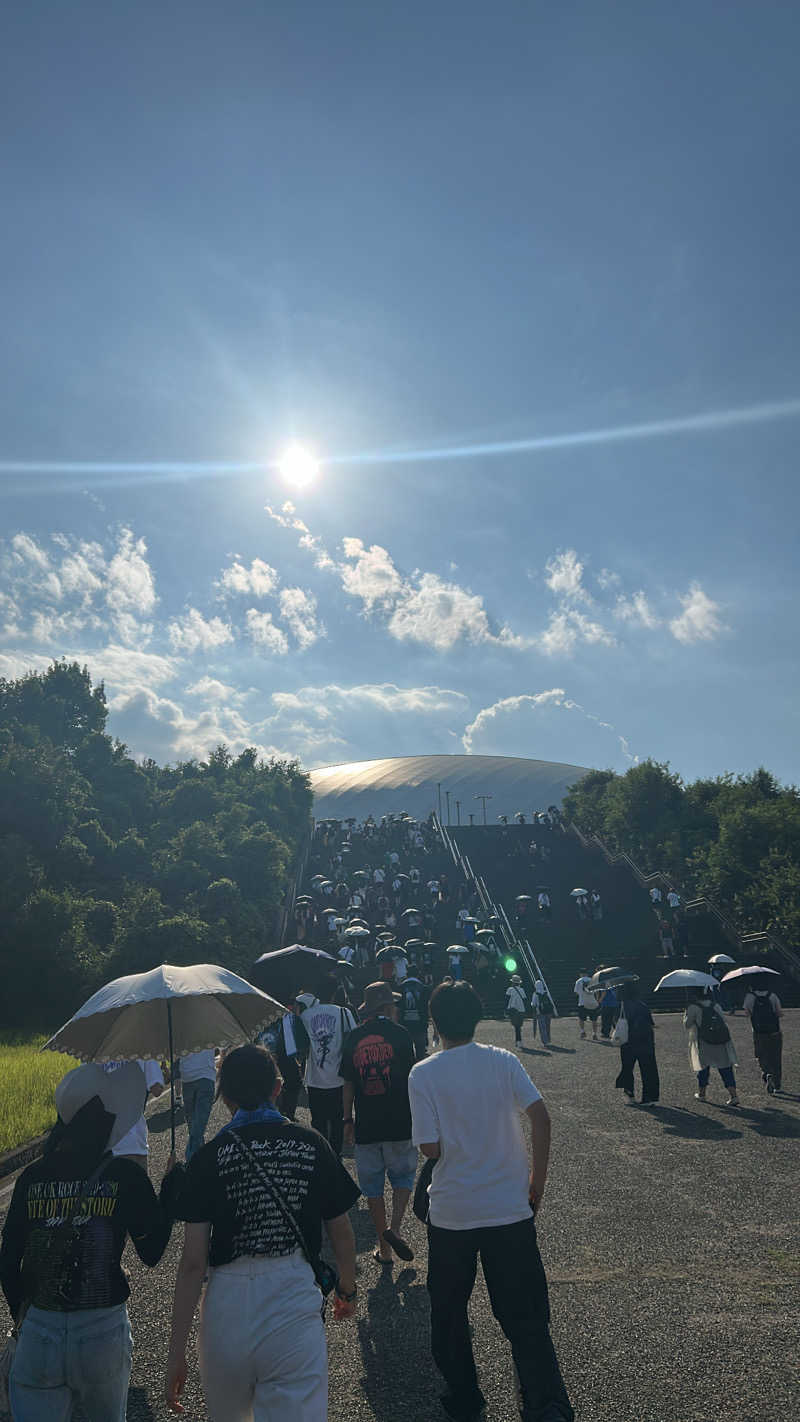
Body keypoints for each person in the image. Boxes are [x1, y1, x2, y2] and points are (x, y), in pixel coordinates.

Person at [408, 983, 574, 1422]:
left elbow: (428, 1147)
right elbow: (539, 1115)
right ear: (477, 1017)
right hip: (509, 1206)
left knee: (448, 1311)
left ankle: (465, 1397)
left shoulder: (423, 1073)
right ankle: (543, 1403)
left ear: (434, 1021)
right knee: (526, 1314)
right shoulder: (503, 1061)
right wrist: (537, 1180)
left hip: (453, 1211)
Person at [166, 1045, 359, 1421]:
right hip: (292, 1301)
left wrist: (176, 1352)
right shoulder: (310, 1143)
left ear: (225, 1097)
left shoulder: (209, 1156)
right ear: (277, 1088)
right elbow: (342, 1231)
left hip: (226, 1306)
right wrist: (346, 1289)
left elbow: (192, 1263)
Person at [1, 1062, 181, 1422]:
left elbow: (8, 1260)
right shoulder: (124, 1175)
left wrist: (25, 1312)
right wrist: (170, 1194)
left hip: (40, 1328)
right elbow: (151, 1251)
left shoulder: (32, 1177)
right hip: (101, 1331)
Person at [341, 982, 417, 1268]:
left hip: (367, 1124)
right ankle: (395, 1228)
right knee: (403, 1177)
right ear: (386, 1007)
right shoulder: (401, 1035)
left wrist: (347, 1119)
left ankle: (384, 1249)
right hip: (400, 1120)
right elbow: (413, 1078)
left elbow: (347, 1083)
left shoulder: (353, 1037)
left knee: (372, 1187)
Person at [300, 980, 357, 1157]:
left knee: (318, 1122)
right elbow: (354, 1039)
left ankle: (320, 1155)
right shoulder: (343, 1013)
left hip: (315, 1078)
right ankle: (335, 1157)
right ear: (334, 994)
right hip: (339, 1078)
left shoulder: (306, 1015)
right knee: (337, 1121)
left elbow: (302, 1046)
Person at [106, 1057, 164, 1172]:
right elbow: (157, 1089)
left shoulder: (97, 1054)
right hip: (135, 1139)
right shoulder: (142, 1049)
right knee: (139, 1186)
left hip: (107, 1142)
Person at [683, 988, 739, 1105]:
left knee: (703, 1068)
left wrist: (686, 1014)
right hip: (721, 1040)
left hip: (704, 1041)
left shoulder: (693, 1007)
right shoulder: (716, 1005)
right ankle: (733, 1095)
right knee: (725, 1068)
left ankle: (702, 1093)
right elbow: (723, 1021)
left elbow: (687, 1025)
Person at [614, 981, 660, 1105]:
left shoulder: (622, 1006)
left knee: (628, 1068)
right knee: (649, 1068)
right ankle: (650, 1097)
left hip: (629, 1041)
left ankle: (629, 1094)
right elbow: (651, 1023)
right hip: (646, 1040)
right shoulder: (642, 1005)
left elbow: (616, 1024)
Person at [743, 980, 784, 1093]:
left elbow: (747, 1014)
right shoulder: (773, 995)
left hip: (758, 1032)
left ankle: (767, 1073)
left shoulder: (750, 997)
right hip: (775, 1031)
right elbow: (779, 1013)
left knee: (761, 1055)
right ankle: (777, 1085)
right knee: (776, 1057)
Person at [180, 1050, 217, 1162]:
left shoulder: (179, 1032)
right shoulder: (211, 1031)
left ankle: (193, 1161)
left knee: (195, 1128)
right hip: (205, 1076)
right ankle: (198, 1161)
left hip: (187, 1076)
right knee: (197, 1128)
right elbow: (221, 1045)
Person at [398, 972, 431, 1061]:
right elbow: (427, 1007)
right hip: (420, 1025)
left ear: (407, 975)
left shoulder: (400, 988)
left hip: (404, 1025)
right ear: (417, 975)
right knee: (421, 1053)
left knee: (406, 1054)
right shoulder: (424, 988)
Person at [573, 973, 600, 1041]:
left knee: (581, 1018)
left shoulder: (578, 981)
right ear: (587, 973)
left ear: (581, 974)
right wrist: (597, 1000)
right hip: (592, 1002)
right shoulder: (592, 980)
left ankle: (582, 1031)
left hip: (582, 1002)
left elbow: (576, 992)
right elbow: (597, 992)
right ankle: (594, 1034)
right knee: (594, 1019)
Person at [505, 975, 527, 1046]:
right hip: (521, 1009)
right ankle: (518, 1041)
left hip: (513, 1009)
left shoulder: (510, 989)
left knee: (516, 1026)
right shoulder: (522, 990)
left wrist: (506, 1009)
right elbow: (524, 999)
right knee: (519, 1026)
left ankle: (518, 1041)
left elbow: (507, 999)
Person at [531, 980, 554, 1047]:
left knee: (542, 1027)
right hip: (548, 1011)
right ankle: (548, 1039)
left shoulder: (535, 993)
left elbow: (533, 1003)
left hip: (540, 1012)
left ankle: (545, 1041)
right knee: (547, 1026)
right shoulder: (546, 992)